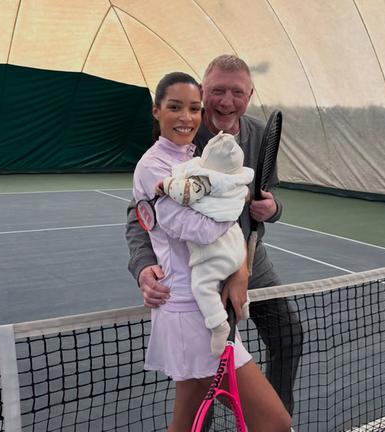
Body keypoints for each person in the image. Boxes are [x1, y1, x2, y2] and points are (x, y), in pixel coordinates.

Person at [126, 55, 304, 415]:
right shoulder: (186, 135)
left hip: (252, 257)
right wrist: (143, 264)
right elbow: (140, 211)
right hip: (202, 268)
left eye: (236, 92)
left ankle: (276, 416)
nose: (226, 101)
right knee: (209, 368)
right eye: (217, 91)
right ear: (204, 92)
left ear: (250, 95)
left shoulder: (256, 133)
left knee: (288, 335)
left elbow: (269, 194)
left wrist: (273, 210)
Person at [157, 131, 254, 356]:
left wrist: (165, 184)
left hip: (215, 252)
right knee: (229, 276)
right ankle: (245, 305)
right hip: (236, 245)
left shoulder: (204, 182)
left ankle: (219, 326)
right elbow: (246, 197)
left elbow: (184, 193)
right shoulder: (237, 183)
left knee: (202, 286)